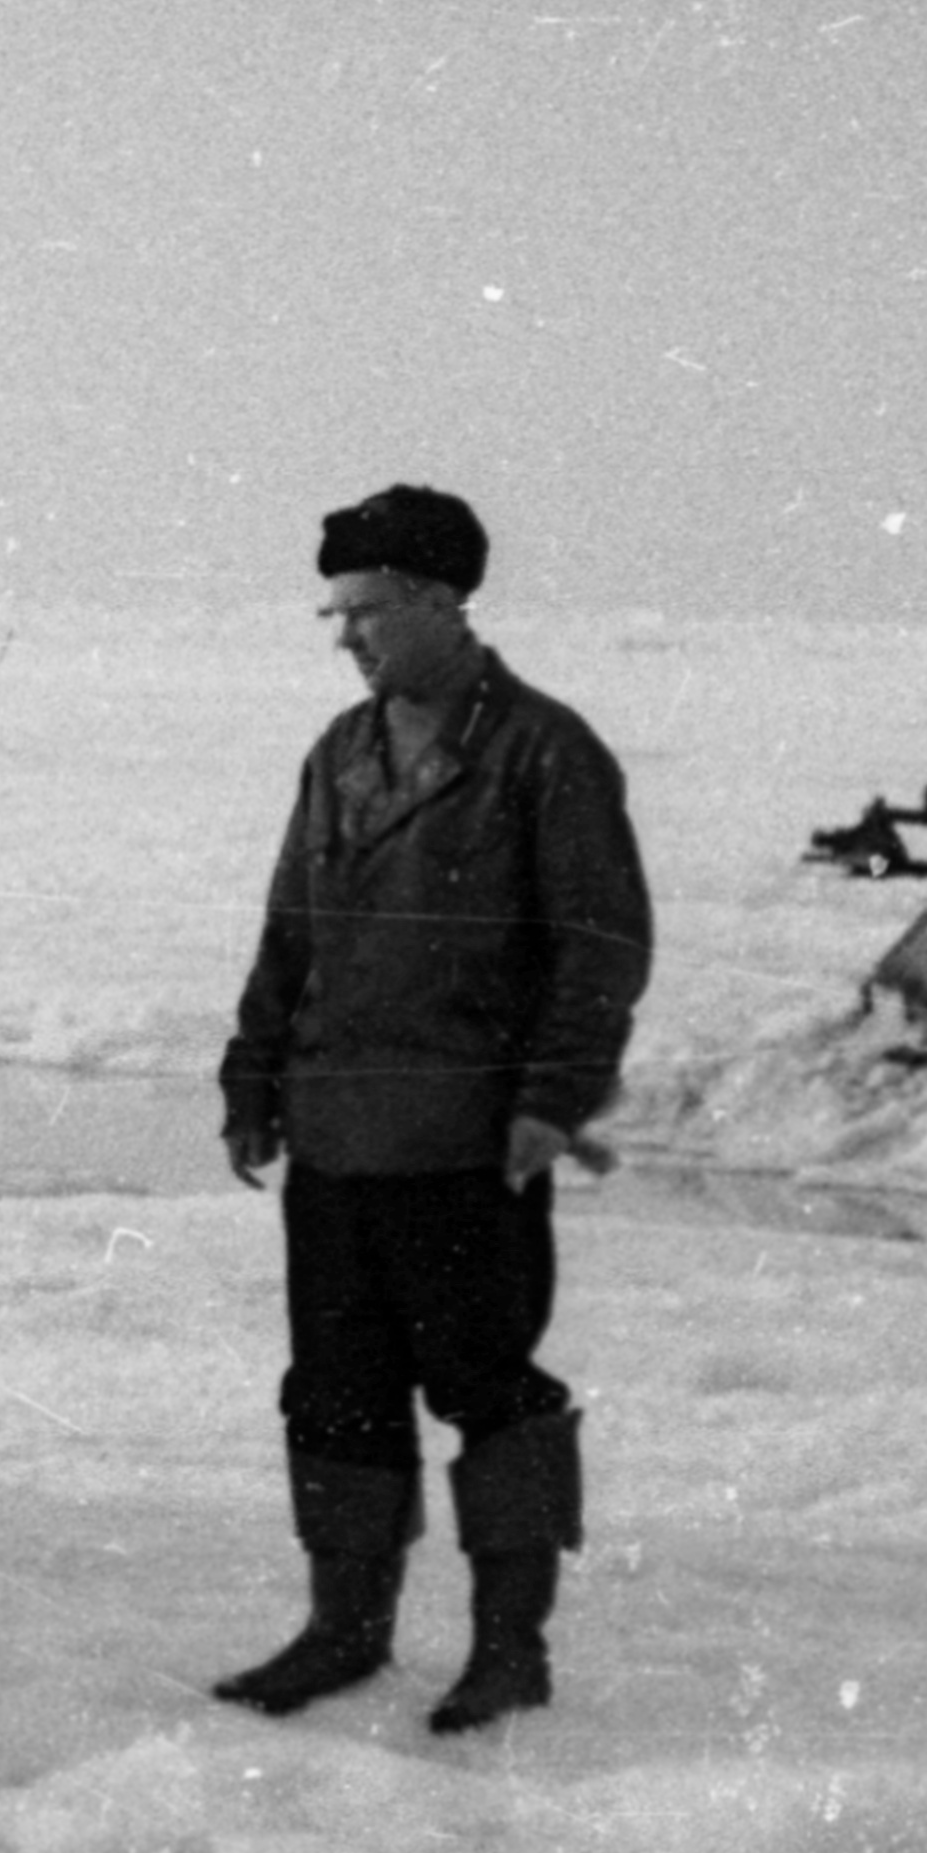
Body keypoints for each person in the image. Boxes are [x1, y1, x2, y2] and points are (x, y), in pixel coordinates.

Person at [212, 485, 645, 1736]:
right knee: (334, 1391)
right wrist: (251, 1075)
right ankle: (343, 1630)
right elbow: (290, 930)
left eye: (363, 612)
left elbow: (599, 948)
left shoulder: (543, 751)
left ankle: (510, 1650)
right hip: (337, 1135)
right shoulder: (339, 753)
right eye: (335, 615)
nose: (345, 637)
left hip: (467, 1143)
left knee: (487, 1388)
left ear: (439, 602)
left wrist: (552, 1101)